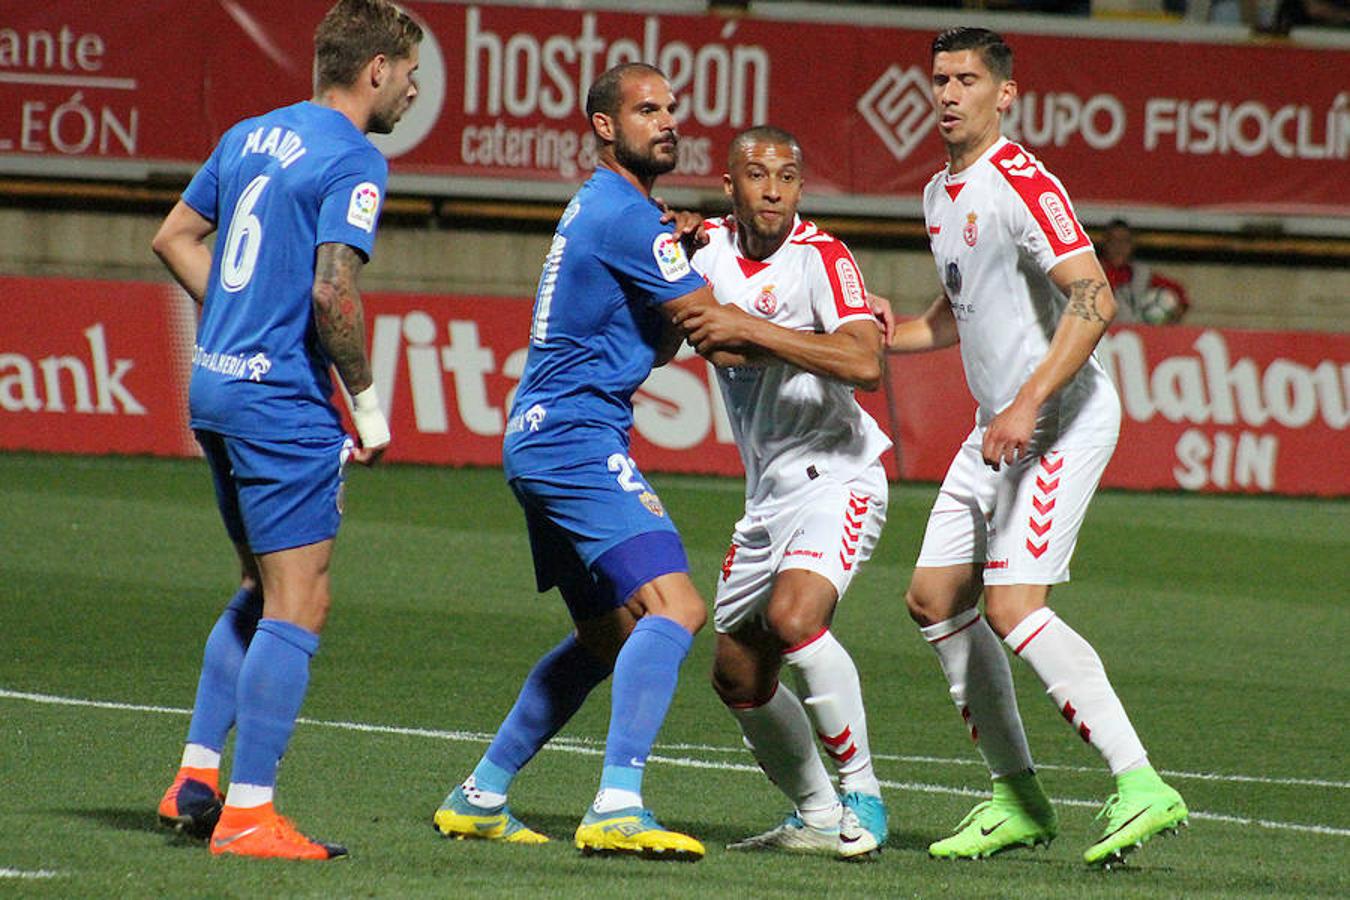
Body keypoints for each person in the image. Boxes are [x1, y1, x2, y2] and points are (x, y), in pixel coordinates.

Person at [881, 27, 1188, 867]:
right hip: (1001, 425)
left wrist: (1026, 404)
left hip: (1058, 420)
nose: (947, 93)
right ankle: (1017, 796)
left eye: (967, 79)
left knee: (1015, 607)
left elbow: (1094, 298)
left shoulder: (1022, 180)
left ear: (1004, 94)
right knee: (934, 599)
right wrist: (889, 333)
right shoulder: (938, 193)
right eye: (939, 78)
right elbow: (955, 316)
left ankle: (1139, 783)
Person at [432, 63, 727, 861]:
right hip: (575, 439)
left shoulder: (612, 210)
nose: (667, 121)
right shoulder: (628, 218)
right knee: (677, 610)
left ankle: (481, 794)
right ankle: (618, 804)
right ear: (603, 126)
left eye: (671, 108)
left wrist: (681, 257)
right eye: (646, 110)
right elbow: (710, 330)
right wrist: (818, 339)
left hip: (541, 434)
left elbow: (662, 339)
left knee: (605, 637)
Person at [149, 0, 420, 860]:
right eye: (409, 74)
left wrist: (235, 317)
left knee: (263, 588)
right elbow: (333, 294)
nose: (413, 90)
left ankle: (195, 779)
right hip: (280, 405)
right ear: (376, 69)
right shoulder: (355, 158)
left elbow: (174, 237)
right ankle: (251, 814)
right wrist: (368, 406)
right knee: (302, 599)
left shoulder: (250, 134)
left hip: (217, 388)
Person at [670, 126, 891, 859]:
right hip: (768, 494)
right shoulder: (705, 250)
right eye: (758, 175)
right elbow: (710, 342)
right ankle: (819, 812)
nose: (774, 189)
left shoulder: (823, 259)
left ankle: (863, 793)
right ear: (730, 186)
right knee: (737, 673)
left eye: (788, 177)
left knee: (797, 616)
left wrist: (746, 324)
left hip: (840, 470)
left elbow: (863, 361)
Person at [1099, 218, 1189, 325]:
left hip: (1138, 336)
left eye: (1124, 241)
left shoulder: (1141, 274)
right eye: (1113, 241)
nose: (1119, 246)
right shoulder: (1090, 271)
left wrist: (1172, 314)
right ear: (1105, 244)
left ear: (1132, 245)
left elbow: (1179, 293)